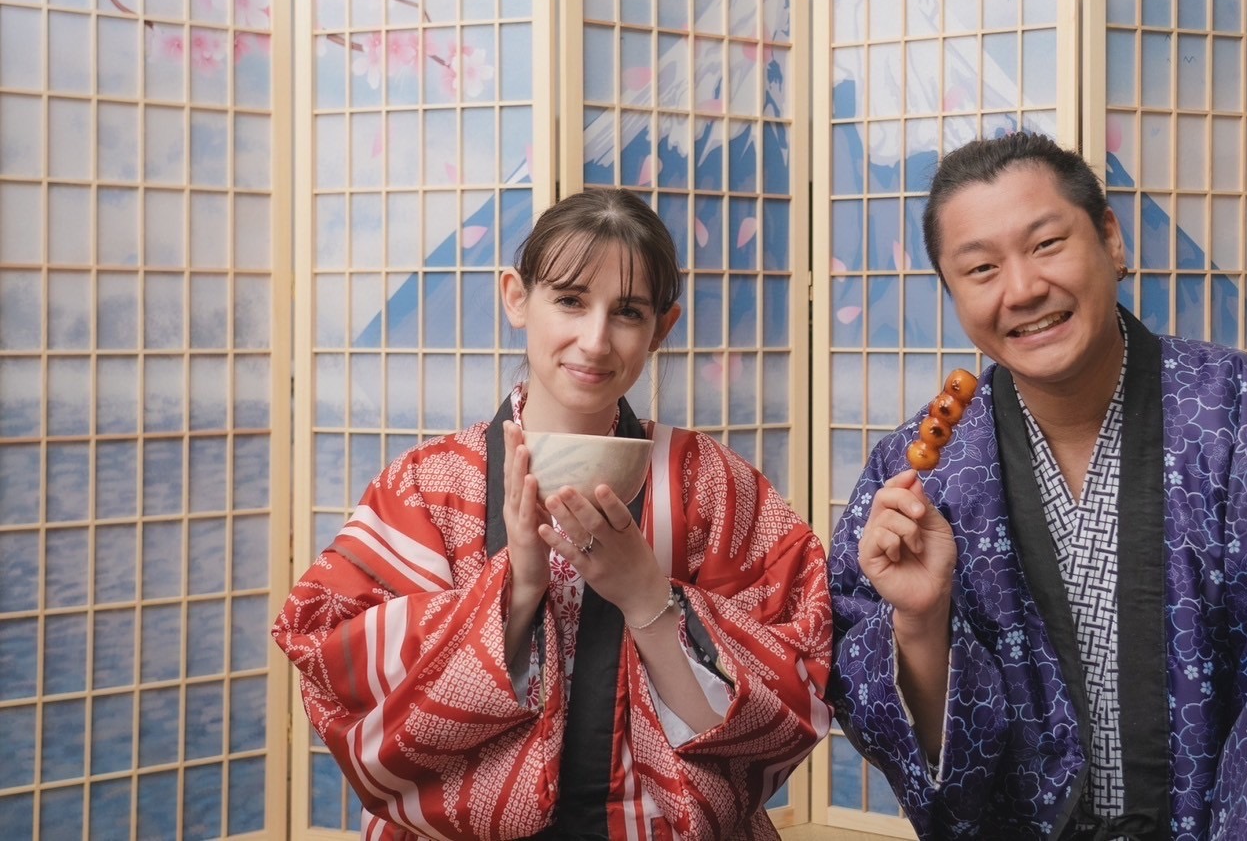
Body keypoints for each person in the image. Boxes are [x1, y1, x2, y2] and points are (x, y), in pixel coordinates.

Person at [828, 133, 1247, 840]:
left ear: (1111, 240)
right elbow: (914, 748)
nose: (1022, 289)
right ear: (953, 294)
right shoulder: (920, 480)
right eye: (981, 268)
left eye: (1046, 244)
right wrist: (919, 621)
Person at [275, 188, 833, 840]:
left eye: (627, 311)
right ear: (517, 298)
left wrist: (647, 598)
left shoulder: (713, 486)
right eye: (569, 300)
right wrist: (515, 591)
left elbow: (789, 696)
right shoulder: (428, 485)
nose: (594, 341)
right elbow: (333, 661)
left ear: (662, 327)